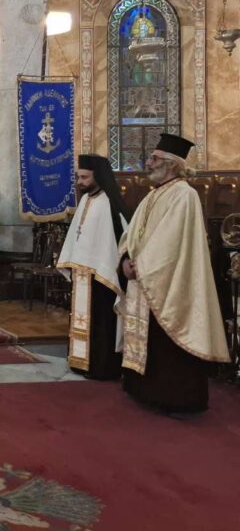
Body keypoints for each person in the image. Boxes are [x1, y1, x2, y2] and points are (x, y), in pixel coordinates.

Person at [118, 134, 230, 416]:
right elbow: (132, 234)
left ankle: (175, 399)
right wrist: (125, 259)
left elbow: (170, 242)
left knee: (169, 341)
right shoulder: (153, 194)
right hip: (145, 277)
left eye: (154, 158)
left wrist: (141, 265)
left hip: (170, 281)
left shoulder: (184, 195)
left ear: (171, 164)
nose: (148, 163)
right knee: (151, 338)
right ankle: (143, 389)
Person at [56, 154, 131, 380]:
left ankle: (102, 367)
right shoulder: (86, 200)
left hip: (103, 276)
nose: (80, 182)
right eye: (78, 177)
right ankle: (80, 362)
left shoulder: (109, 203)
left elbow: (121, 239)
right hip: (83, 274)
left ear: (98, 176)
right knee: (83, 319)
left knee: (102, 322)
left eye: (84, 177)